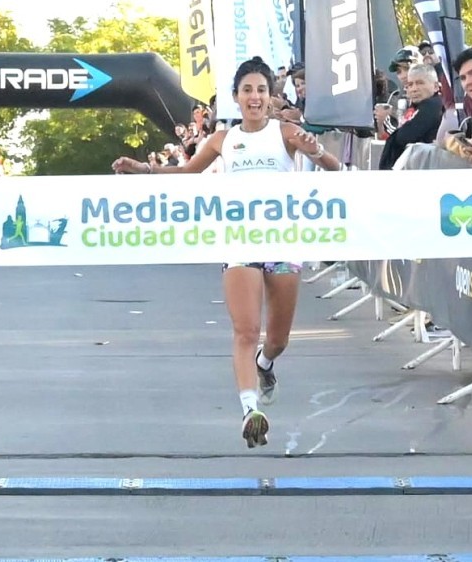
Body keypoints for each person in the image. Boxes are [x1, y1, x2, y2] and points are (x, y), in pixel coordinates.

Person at [112, 56, 341, 448]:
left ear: (271, 97)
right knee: (246, 330)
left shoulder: (286, 132)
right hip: (240, 241)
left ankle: (265, 364)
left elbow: (335, 169)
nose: (255, 97)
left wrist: (316, 150)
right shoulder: (223, 139)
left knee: (278, 339)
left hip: (283, 241)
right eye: (247, 90)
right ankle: (250, 410)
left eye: (261, 90)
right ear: (236, 97)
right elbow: (188, 173)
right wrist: (142, 169)